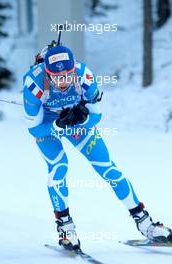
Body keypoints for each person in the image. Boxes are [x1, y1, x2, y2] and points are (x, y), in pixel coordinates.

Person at [23, 44, 172, 250]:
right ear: (48, 74)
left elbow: (96, 115)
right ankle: (66, 228)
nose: (64, 82)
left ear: (74, 69)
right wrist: (58, 125)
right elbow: (35, 130)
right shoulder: (33, 83)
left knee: (108, 168)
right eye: (58, 78)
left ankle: (145, 223)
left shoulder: (85, 76)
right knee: (59, 168)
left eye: (68, 75)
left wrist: (80, 119)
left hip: (76, 123)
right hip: (49, 125)